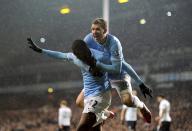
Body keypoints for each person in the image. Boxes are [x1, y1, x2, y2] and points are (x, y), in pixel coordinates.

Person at [75, 17, 152, 123]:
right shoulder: (88, 40)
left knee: (127, 102)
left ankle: (141, 106)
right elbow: (83, 58)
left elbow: (122, 66)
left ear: (105, 31)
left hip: (119, 76)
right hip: (102, 76)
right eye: (92, 29)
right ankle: (105, 113)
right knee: (79, 102)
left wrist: (140, 83)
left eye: (97, 29)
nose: (94, 32)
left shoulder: (114, 43)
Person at [27, 38, 113, 131]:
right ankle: (103, 112)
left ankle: (101, 111)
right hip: (89, 91)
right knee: (79, 102)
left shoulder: (98, 57)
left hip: (100, 94)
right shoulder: (75, 57)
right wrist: (41, 50)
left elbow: (115, 66)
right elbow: (60, 55)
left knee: (82, 128)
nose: (76, 56)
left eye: (77, 54)